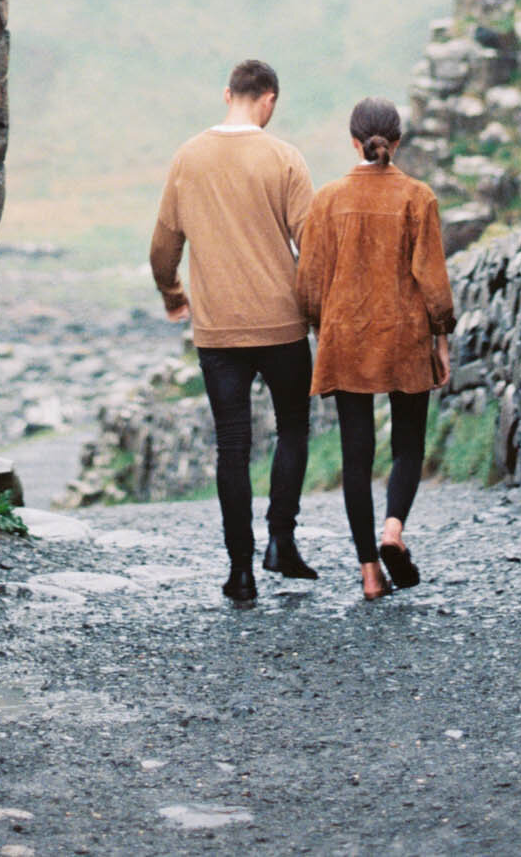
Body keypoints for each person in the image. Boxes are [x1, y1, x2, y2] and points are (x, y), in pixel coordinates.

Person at [150, 57, 317, 605]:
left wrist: (176, 299)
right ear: (269, 99)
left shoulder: (188, 157)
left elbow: (163, 248)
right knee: (292, 428)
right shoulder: (284, 157)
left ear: (229, 94)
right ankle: (281, 543)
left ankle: (240, 571)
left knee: (232, 447)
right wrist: (315, 310)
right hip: (283, 323)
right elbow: (312, 246)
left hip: (218, 330)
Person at [295, 96, 455, 602]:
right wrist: (442, 337)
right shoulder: (418, 197)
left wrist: (325, 327)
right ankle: (393, 530)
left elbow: (309, 284)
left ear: (353, 140)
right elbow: (433, 280)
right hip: (404, 335)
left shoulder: (327, 199)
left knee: (356, 457)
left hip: (347, 338)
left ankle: (369, 572)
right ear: (398, 141)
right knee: (408, 445)